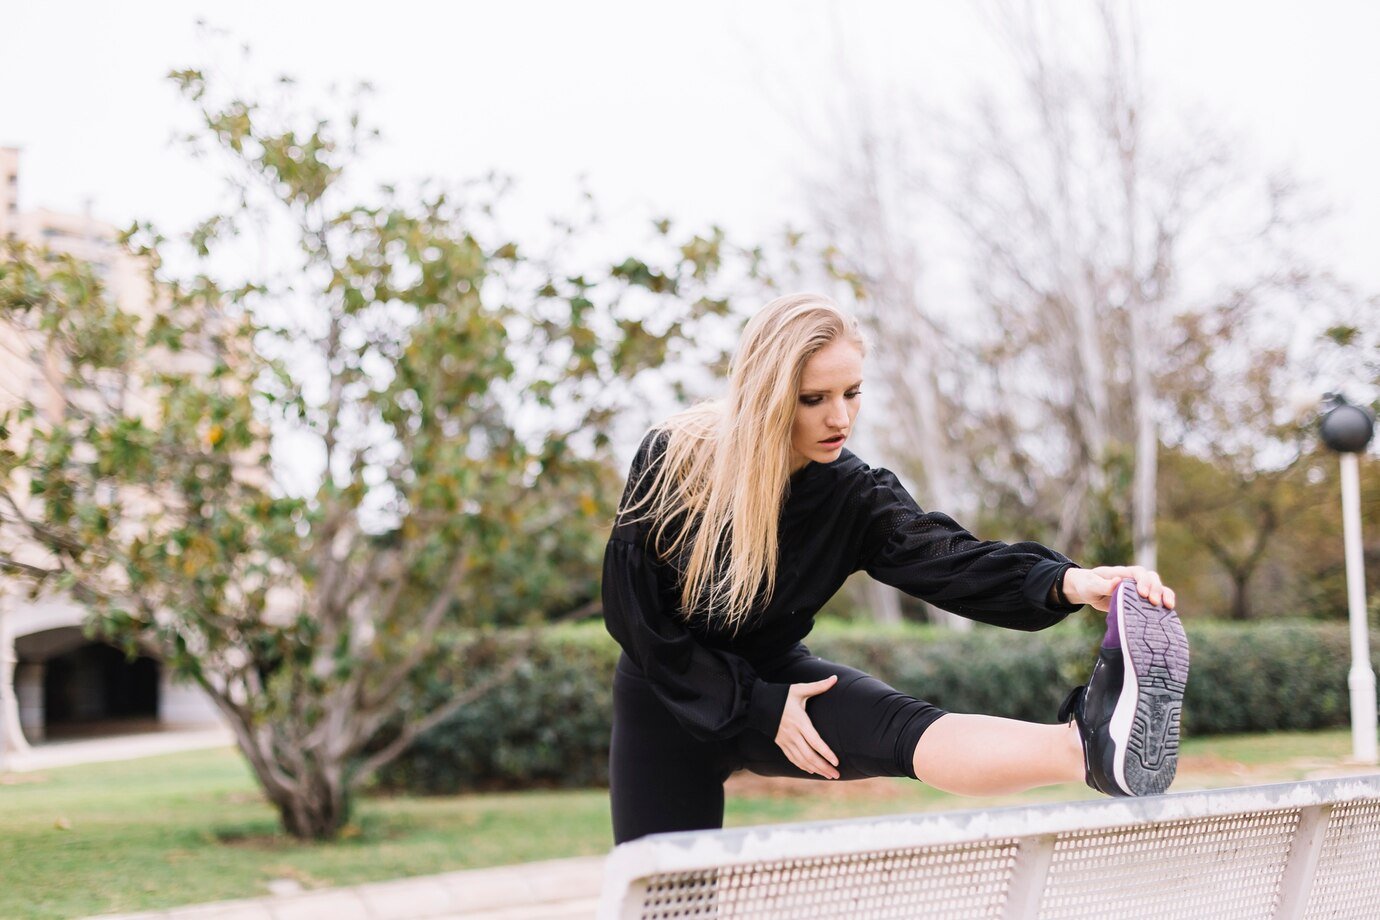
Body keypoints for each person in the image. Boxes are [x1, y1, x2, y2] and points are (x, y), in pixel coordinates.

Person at [602, 292, 1189, 845]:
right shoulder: (675, 460)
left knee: (908, 729)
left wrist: (1071, 581)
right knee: (667, 906)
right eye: (814, 399)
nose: (840, 418)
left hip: (789, 686)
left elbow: (952, 562)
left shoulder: (854, 495)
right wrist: (758, 706)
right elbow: (635, 616)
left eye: (852, 393)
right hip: (667, 697)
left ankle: (1090, 745)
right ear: (766, 396)